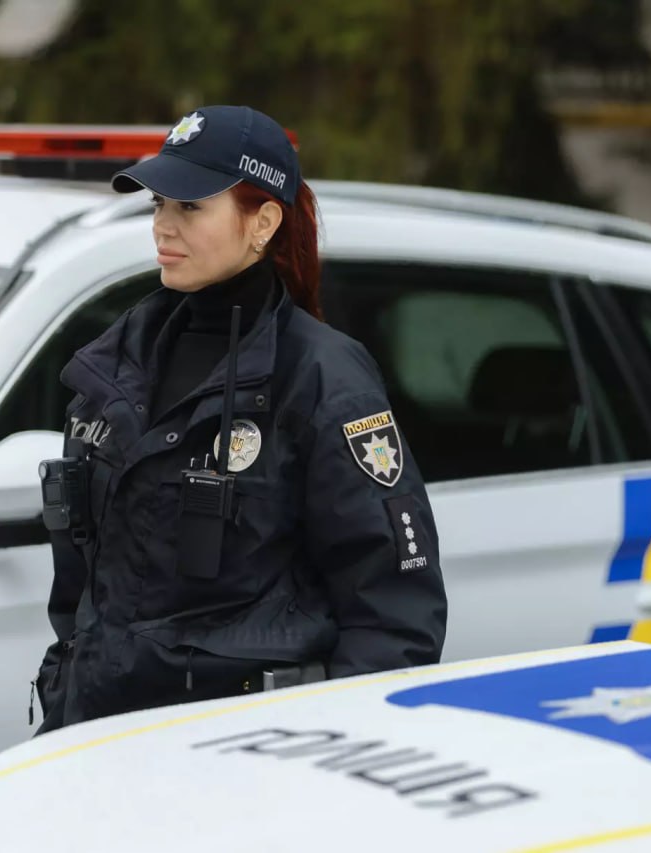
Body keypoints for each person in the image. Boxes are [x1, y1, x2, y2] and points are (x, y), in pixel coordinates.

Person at [32, 105, 447, 733]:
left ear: (264, 223)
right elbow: (84, 593)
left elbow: (394, 618)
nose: (163, 226)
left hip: (244, 754)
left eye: (190, 206)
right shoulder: (114, 363)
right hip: (99, 740)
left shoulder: (321, 376)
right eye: (159, 204)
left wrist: (325, 752)